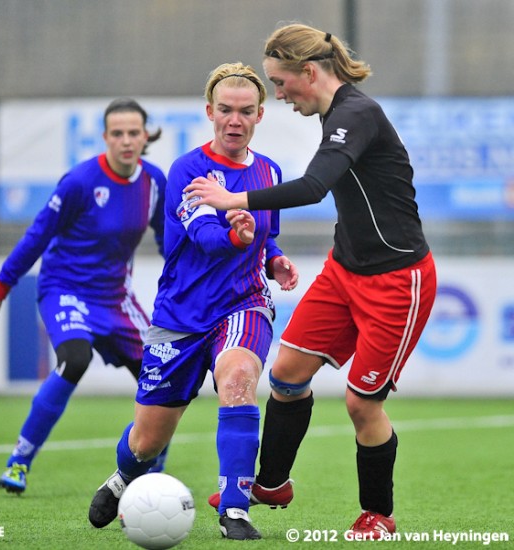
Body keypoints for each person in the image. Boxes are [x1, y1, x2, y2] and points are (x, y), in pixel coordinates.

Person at [186, 23, 437, 540]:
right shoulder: (336, 116)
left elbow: (315, 186)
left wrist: (234, 199)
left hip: (397, 280)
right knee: (286, 372)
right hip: (345, 272)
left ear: (309, 72)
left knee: (362, 403)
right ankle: (272, 483)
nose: (278, 95)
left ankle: (377, 515)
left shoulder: (355, 113)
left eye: (280, 83)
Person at [87, 62, 299, 540]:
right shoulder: (188, 168)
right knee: (146, 442)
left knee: (239, 377)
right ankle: (124, 477)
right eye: (225, 110)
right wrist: (237, 234)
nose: (234, 120)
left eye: (246, 111)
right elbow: (205, 235)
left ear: (260, 115)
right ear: (210, 111)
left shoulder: (270, 172)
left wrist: (274, 260)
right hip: (181, 315)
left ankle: (236, 509)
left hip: (242, 305)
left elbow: (268, 238)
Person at [0, 98, 169, 494]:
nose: (126, 141)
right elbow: (37, 237)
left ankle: (151, 476)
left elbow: (168, 242)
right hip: (65, 290)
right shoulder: (80, 182)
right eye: (118, 133)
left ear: (145, 136)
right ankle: (19, 462)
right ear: (105, 138)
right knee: (75, 358)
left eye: (134, 133)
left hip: (117, 299)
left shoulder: (154, 183)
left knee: (162, 375)